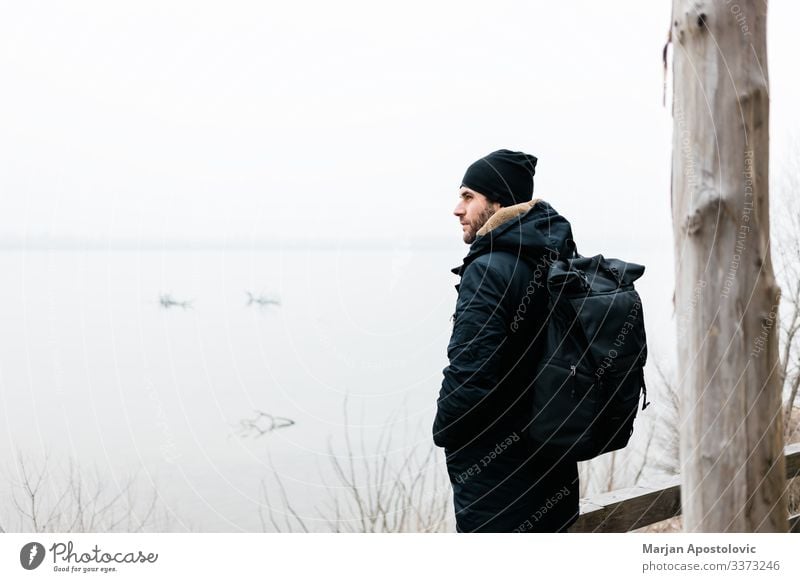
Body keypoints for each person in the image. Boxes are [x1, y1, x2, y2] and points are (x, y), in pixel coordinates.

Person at [432, 149, 580, 533]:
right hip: (554, 462)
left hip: (498, 481)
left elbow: (470, 371)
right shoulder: (554, 260)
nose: (457, 209)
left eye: (468, 197)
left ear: (497, 202)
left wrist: (444, 431)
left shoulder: (488, 270)